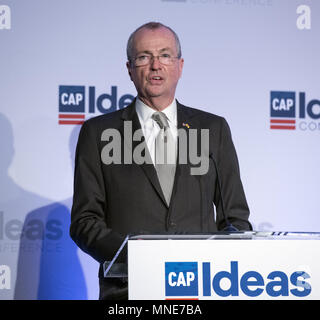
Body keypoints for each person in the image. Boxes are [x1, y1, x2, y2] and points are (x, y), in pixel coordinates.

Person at [70, 22, 252, 300]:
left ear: (179, 66)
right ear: (130, 69)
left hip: (201, 289)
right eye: (144, 57)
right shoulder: (99, 133)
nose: (156, 65)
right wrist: (139, 258)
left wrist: (218, 263)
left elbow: (236, 219)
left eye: (165, 55)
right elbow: (84, 221)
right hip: (129, 290)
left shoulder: (213, 129)